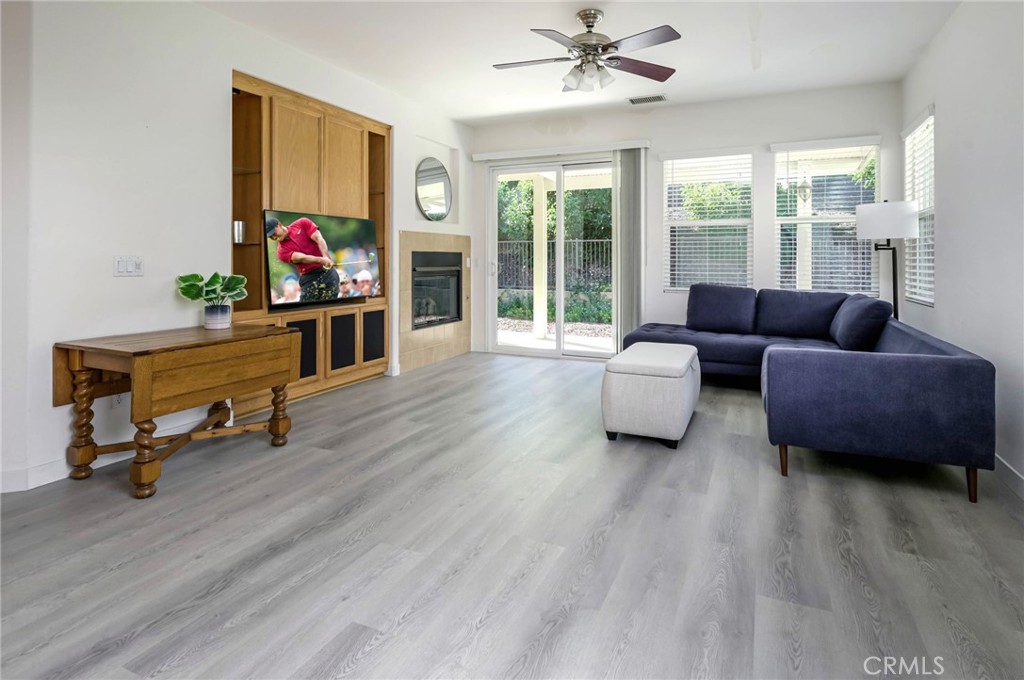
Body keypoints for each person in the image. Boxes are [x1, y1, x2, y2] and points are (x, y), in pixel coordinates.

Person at [265, 216, 339, 302]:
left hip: (327, 272)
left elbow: (319, 238)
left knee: (330, 304)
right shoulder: (281, 252)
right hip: (309, 278)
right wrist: (322, 260)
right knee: (307, 309)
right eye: (270, 237)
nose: (274, 237)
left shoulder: (302, 223)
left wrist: (325, 256)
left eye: (274, 233)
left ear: (279, 225)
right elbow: (302, 258)